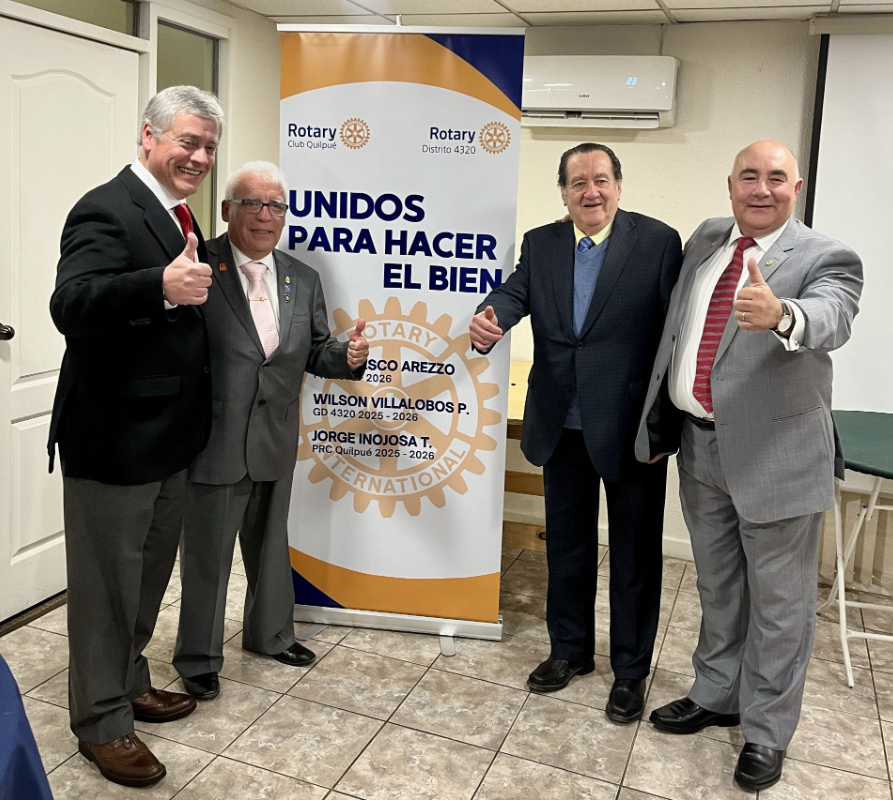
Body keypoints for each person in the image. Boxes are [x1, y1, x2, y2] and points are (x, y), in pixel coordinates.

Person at [636, 141, 863, 792]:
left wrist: (782, 315)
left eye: (775, 178)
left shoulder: (826, 256)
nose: (761, 189)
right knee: (719, 588)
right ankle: (716, 694)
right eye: (748, 176)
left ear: (797, 187)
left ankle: (766, 731)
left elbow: (832, 317)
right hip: (700, 447)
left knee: (780, 606)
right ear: (730, 183)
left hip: (776, 458)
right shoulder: (709, 238)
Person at [47, 85, 223, 788]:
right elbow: (71, 303)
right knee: (105, 590)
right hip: (113, 439)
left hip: (169, 438)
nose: (199, 157)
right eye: (187, 141)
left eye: (208, 146)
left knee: (147, 578)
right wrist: (158, 284)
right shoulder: (105, 207)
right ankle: (101, 722)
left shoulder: (179, 213)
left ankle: (127, 679)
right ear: (148, 137)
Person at [469, 143, 682, 723]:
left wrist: (666, 425)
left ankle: (630, 670)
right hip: (559, 422)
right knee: (566, 546)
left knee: (635, 556)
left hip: (631, 430)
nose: (591, 191)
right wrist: (491, 318)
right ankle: (570, 650)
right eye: (578, 182)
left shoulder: (658, 242)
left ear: (619, 185)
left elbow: (674, 337)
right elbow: (515, 292)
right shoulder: (542, 243)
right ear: (563, 192)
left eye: (601, 179)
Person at [173, 161, 368, 700]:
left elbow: (316, 351)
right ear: (226, 210)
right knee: (207, 558)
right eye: (252, 203)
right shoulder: (199, 266)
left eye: (276, 206)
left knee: (270, 546)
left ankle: (271, 635)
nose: (265, 215)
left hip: (276, 436)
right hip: (211, 440)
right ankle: (198, 657)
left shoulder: (301, 278)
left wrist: (348, 356)